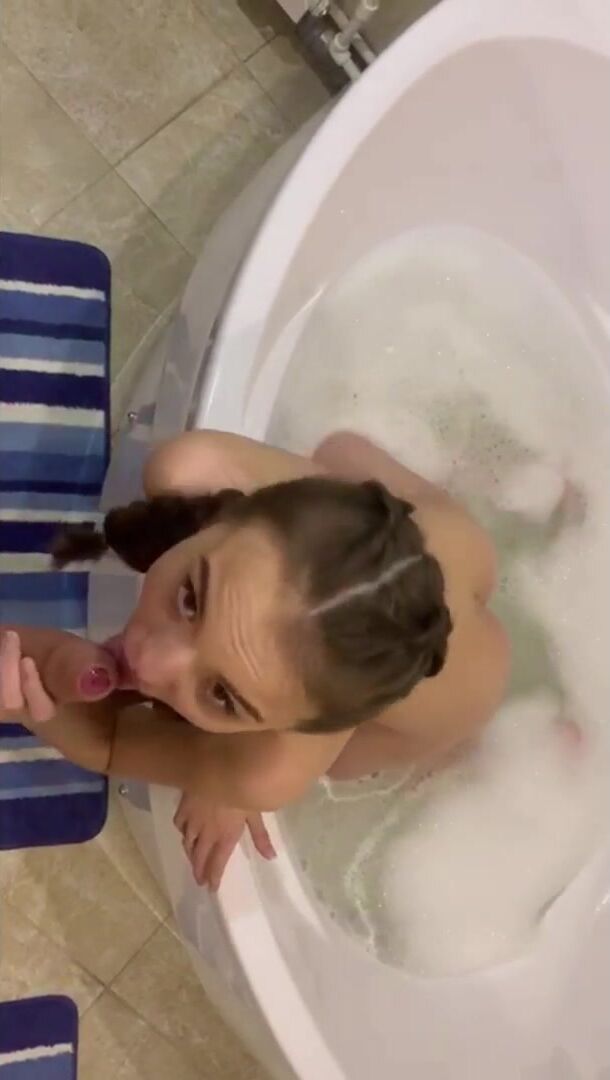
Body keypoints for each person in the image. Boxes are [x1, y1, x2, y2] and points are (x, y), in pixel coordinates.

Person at [0, 431, 509, 889]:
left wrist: (219, 777)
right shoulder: (194, 468)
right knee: (329, 449)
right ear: (229, 513)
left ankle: (458, 753)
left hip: (462, 696)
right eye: (190, 598)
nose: (148, 664)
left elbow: (112, 743)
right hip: (453, 539)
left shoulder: (271, 769)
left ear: (301, 729)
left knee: (332, 766)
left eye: (222, 694)